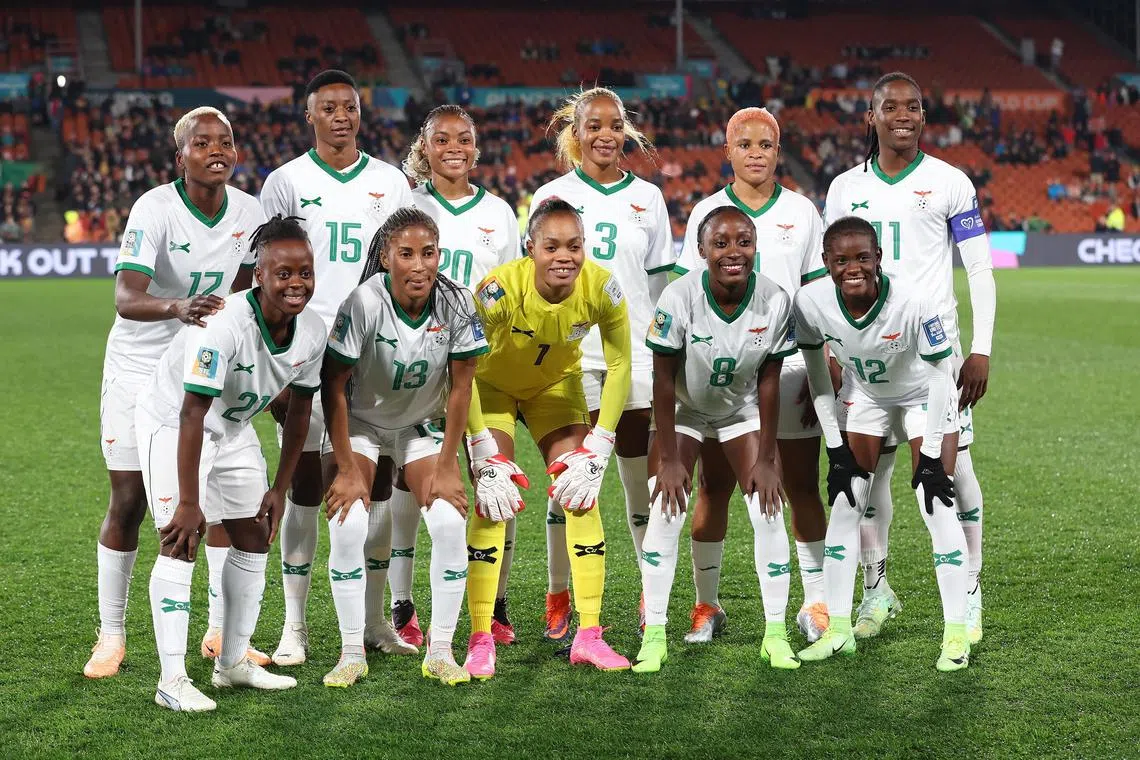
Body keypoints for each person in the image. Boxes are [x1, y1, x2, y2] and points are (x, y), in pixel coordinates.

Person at [85, 106, 268, 679]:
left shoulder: (249, 211)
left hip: (199, 368)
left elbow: (245, 289)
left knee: (211, 497)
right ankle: (111, 636)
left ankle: (219, 633)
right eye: (203, 142)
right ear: (180, 155)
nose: (218, 149)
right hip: (138, 368)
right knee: (131, 500)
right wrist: (176, 307)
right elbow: (125, 297)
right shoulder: (155, 208)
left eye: (227, 141)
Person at [321, 207, 525, 686]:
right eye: (406, 254)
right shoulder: (363, 302)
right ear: (386, 257)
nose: (419, 265)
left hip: (419, 423)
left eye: (428, 253)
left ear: (440, 255)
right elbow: (333, 385)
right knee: (350, 525)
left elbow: (461, 388)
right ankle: (352, 651)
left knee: (451, 523)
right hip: (363, 423)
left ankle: (441, 650)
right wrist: (349, 468)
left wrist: (453, 462)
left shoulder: (457, 303)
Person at [825, 72, 994, 645]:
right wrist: (829, 345)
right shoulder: (845, 188)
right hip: (867, 361)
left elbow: (979, 269)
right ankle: (877, 589)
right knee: (868, 483)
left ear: (925, 117)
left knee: (952, 476)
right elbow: (830, 274)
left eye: (914, 107)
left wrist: (981, 348)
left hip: (934, 360)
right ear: (869, 117)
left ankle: (969, 593)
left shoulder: (950, 183)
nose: (904, 115)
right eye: (891, 106)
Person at [136, 216, 326, 711]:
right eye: (283, 273)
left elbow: (301, 413)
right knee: (180, 540)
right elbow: (191, 412)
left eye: (304, 272)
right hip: (175, 424)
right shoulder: (221, 324)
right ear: (258, 274)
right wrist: (189, 501)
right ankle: (172, 680)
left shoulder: (312, 330)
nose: (296, 284)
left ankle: (233, 664)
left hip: (233, 428)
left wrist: (279, 489)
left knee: (251, 535)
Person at [259, 69, 415, 666]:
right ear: (311, 116)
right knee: (302, 487)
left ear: (360, 112)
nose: (341, 116)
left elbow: (399, 268)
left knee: (372, 486)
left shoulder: (390, 181)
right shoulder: (285, 182)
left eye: (349, 106)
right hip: (304, 351)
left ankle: (373, 620)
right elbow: (266, 269)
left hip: (370, 353)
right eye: (329, 108)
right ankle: (294, 626)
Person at [673, 107, 831, 644]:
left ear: (778, 150)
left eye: (766, 143)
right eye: (745, 144)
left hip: (787, 370)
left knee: (801, 486)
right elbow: (686, 295)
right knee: (713, 488)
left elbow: (815, 295)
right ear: (728, 150)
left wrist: (821, 361)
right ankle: (706, 606)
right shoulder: (707, 212)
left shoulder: (804, 212)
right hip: (721, 377)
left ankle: (815, 604)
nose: (756, 152)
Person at [463, 198, 633, 678]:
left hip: (554, 388)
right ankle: (481, 636)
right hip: (490, 389)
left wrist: (599, 446)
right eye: (552, 246)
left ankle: (590, 635)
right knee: (493, 496)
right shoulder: (498, 290)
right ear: (530, 248)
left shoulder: (603, 287)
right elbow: (465, 367)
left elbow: (621, 365)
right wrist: (481, 451)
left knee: (580, 491)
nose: (565, 256)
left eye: (574, 246)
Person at [793, 217, 970, 672]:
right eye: (841, 260)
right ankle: (837, 631)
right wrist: (834, 447)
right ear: (826, 263)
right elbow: (818, 375)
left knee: (936, 502)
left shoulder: (914, 302)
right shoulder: (810, 303)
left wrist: (930, 456)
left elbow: (939, 381)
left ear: (878, 259)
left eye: (862, 258)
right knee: (847, 501)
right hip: (866, 395)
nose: (853, 268)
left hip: (922, 396)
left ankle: (956, 632)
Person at [529, 87, 674, 641]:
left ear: (627, 131)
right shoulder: (552, 194)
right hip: (568, 357)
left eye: (615, 125)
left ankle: (648, 590)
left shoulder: (649, 198)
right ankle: (558, 594)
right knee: (568, 484)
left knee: (638, 481)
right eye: (594, 125)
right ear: (576, 132)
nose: (606, 134)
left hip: (631, 356)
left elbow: (661, 286)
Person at [635, 206, 800, 673]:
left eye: (744, 241)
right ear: (702, 250)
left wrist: (768, 457)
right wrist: (668, 457)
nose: (734, 252)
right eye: (721, 243)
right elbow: (662, 381)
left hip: (739, 409)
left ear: (756, 246)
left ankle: (775, 634)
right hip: (684, 409)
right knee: (665, 511)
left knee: (768, 512)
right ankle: (655, 636)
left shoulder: (774, 299)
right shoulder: (678, 295)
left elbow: (770, 380)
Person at [385, 105, 522, 648]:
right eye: (442, 139)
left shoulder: (501, 213)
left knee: (497, 480)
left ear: (476, 145)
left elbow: (512, 286)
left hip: (483, 366)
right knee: (408, 481)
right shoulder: (407, 206)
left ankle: (495, 605)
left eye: (463, 138)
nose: (454, 148)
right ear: (426, 145)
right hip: (419, 365)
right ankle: (402, 602)